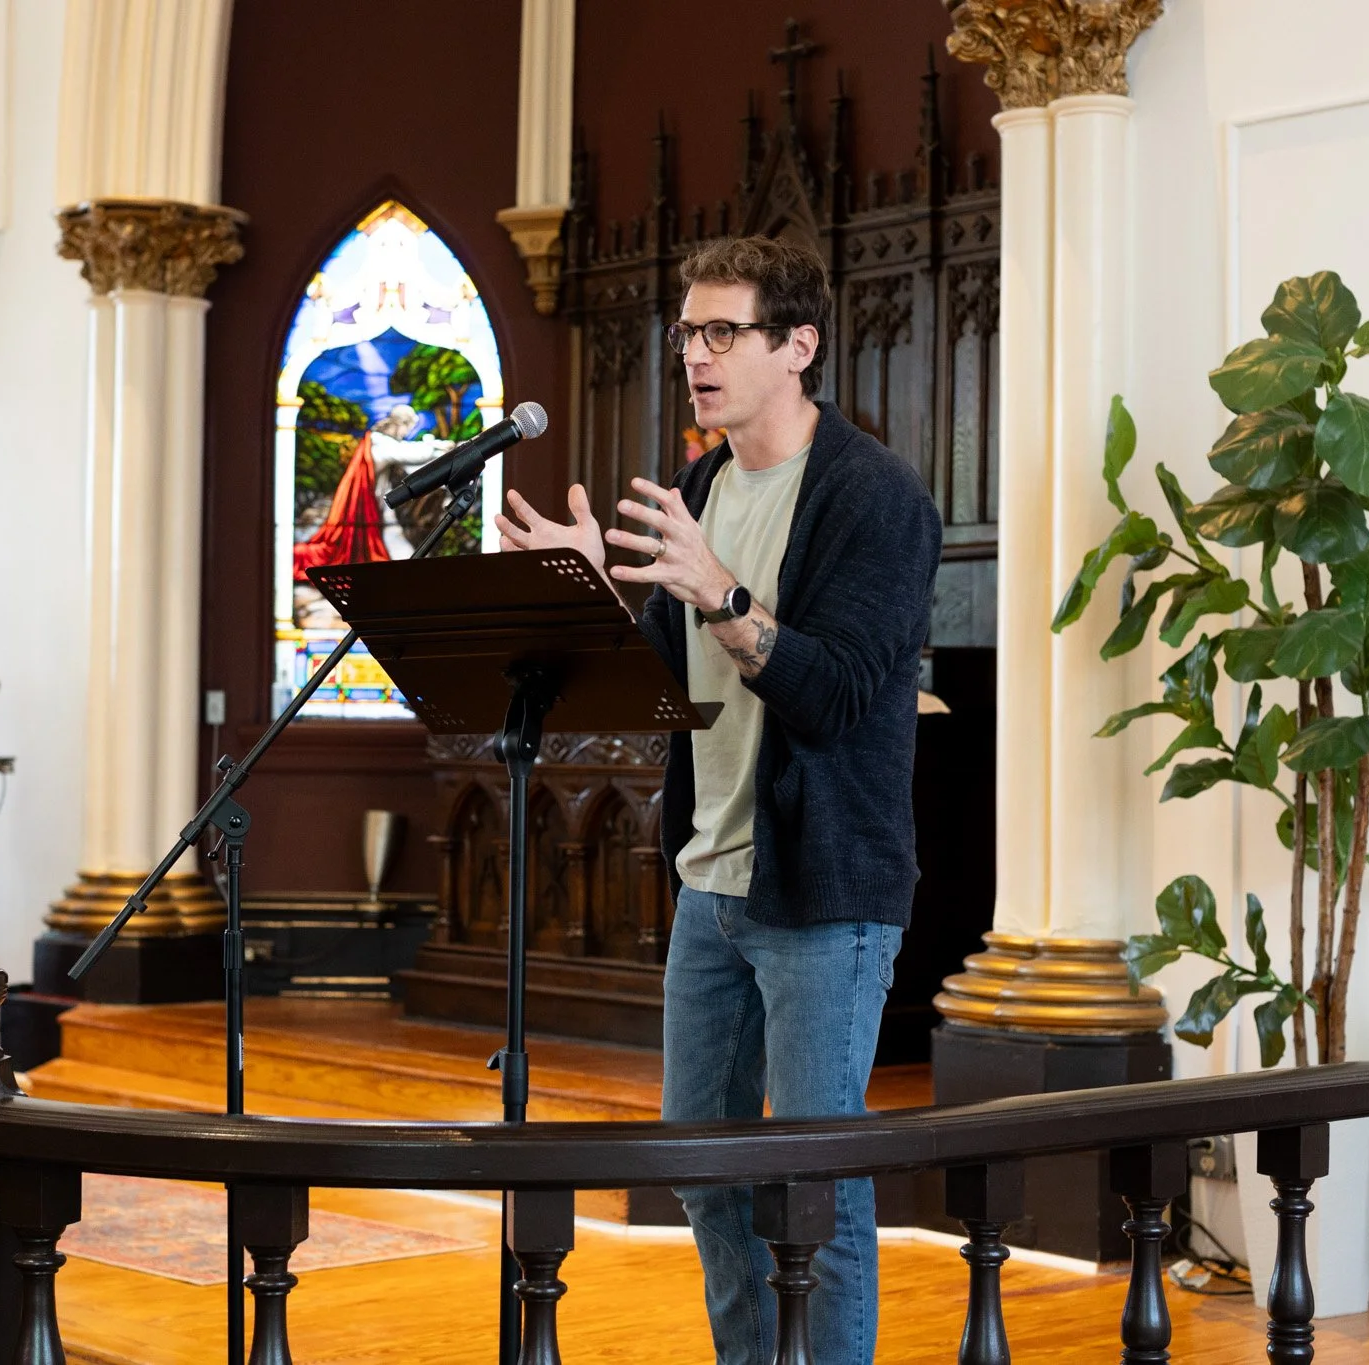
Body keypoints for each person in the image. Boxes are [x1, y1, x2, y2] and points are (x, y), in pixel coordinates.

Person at [495, 236, 939, 1365]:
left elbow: (834, 695)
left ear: (797, 346)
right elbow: (667, 676)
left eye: (722, 331)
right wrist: (593, 594)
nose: (695, 354)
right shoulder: (699, 487)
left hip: (823, 893)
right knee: (700, 1171)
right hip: (708, 886)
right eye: (688, 332)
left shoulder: (874, 495)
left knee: (817, 1187)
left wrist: (722, 592)